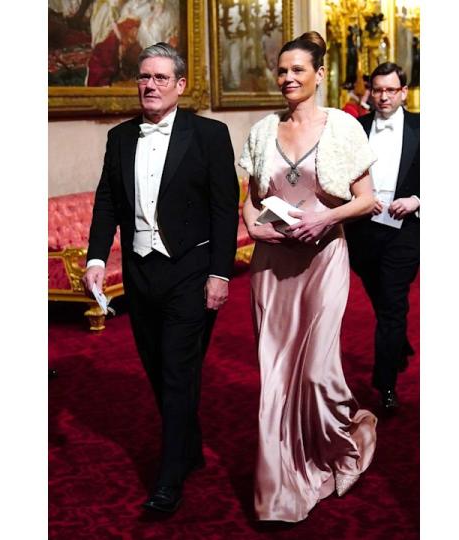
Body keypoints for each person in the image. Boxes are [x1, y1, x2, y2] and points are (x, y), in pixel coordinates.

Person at [82, 42, 241, 514]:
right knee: (157, 368)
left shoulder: (209, 134)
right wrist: (95, 257)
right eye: (143, 77)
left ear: (180, 85)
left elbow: (222, 208)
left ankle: (168, 479)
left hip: (190, 271)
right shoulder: (119, 137)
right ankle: (188, 448)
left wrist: (220, 273)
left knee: (176, 372)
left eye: (159, 78)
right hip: (138, 270)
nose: (149, 85)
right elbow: (107, 201)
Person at [238, 30, 379, 523]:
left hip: (324, 262)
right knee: (275, 375)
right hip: (273, 267)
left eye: (298, 69)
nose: (288, 78)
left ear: (319, 75)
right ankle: (279, 488)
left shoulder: (343, 127)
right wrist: (254, 226)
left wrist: (326, 218)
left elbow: (367, 197)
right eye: (282, 70)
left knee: (317, 372)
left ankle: (346, 434)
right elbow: (251, 198)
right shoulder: (260, 131)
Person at [345, 62, 420, 412]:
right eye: (378, 90)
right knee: (381, 299)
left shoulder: (425, 128)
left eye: (391, 90)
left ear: (403, 92)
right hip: (364, 230)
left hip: (405, 231)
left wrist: (418, 199)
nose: (384, 96)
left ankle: (385, 386)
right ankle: (399, 343)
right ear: (370, 92)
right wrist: (357, 200)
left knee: (392, 304)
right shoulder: (355, 129)